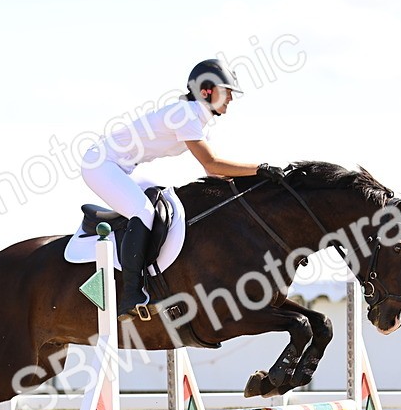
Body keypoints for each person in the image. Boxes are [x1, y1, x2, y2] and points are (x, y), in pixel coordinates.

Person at [79, 58, 286, 320]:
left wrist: (256, 183)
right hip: (100, 164)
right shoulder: (186, 114)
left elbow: (216, 172)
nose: (231, 98)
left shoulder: (198, 119)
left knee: (163, 205)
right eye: (227, 91)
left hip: (123, 167)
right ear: (205, 91)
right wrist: (260, 168)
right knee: (144, 212)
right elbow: (211, 164)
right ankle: (130, 294)